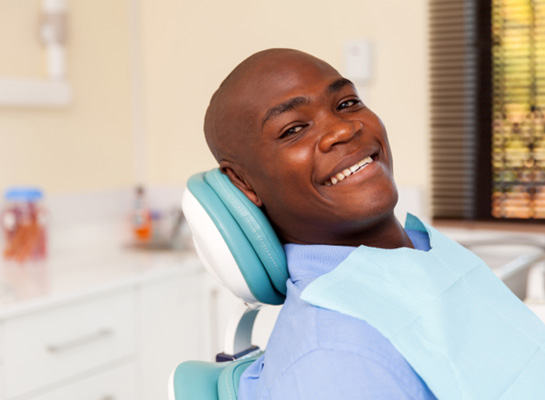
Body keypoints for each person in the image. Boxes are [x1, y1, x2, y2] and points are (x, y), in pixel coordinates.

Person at [204, 48, 437, 399]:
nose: (342, 130)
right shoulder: (335, 358)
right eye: (293, 129)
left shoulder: (425, 251)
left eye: (346, 104)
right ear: (243, 183)